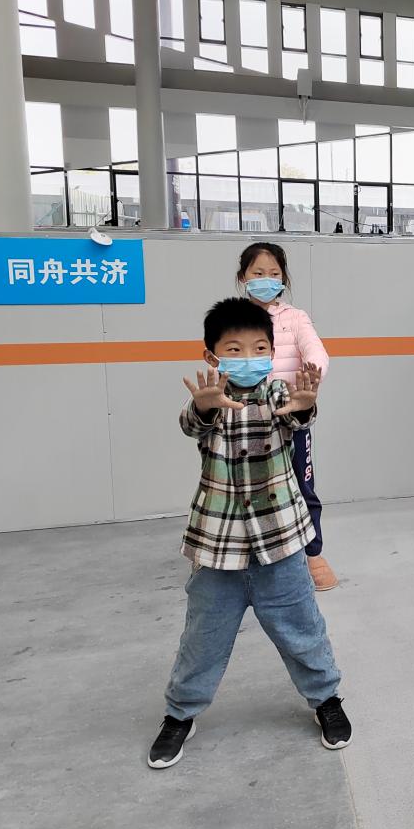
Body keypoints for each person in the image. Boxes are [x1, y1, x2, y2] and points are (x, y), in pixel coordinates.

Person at [147, 298, 350, 770]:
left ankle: (326, 699)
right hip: (219, 545)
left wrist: (305, 407)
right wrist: (203, 406)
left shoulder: (278, 392)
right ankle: (180, 714)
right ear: (212, 356)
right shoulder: (209, 399)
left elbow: (296, 415)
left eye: (259, 348)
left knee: (303, 630)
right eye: (234, 349)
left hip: (280, 541)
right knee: (203, 637)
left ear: (271, 351)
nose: (248, 357)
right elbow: (191, 423)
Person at [236, 242, 338, 592]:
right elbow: (222, 358)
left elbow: (316, 352)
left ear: (283, 279)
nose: (266, 279)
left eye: (274, 273)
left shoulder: (295, 318)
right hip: (244, 420)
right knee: (242, 488)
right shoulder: (233, 318)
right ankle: (238, 556)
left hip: (290, 419)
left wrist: (310, 380)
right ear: (243, 277)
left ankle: (312, 554)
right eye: (258, 273)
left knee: (301, 486)